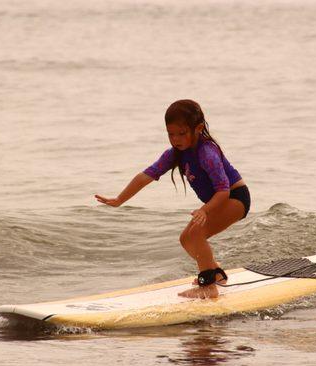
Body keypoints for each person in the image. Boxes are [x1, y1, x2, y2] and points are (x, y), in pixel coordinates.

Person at [95, 99, 250, 299]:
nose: (176, 139)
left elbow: (223, 190)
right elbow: (146, 175)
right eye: (171, 134)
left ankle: (208, 285)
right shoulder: (175, 154)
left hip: (235, 197)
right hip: (220, 199)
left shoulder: (207, 153)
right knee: (186, 239)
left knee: (196, 235)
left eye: (182, 133)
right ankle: (216, 273)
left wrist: (205, 210)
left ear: (198, 128)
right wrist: (119, 199)